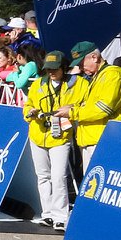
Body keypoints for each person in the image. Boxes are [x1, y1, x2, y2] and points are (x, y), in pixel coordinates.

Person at [23, 51, 81, 230]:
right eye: (48, 69)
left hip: (61, 137)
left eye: (55, 69)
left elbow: (84, 103)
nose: (51, 72)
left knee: (58, 177)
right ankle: (47, 213)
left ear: (64, 68)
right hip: (38, 133)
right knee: (43, 176)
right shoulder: (39, 84)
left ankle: (60, 216)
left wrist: (71, 108)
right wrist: (30, 113)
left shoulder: (77, 84)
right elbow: (28, 105)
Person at [64, 41, 121, 170]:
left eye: (82, 63)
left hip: (104, 140)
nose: (81, 68)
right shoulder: (97, 76)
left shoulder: (113, 75)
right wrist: (73, 107)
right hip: (91, 140)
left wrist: (72, 112)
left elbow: (103, 109)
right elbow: (91, 104)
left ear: (94, 57)